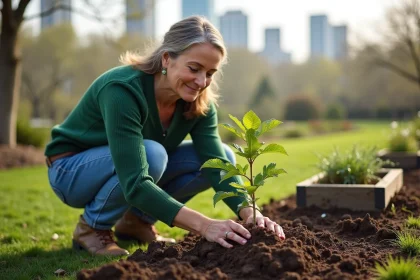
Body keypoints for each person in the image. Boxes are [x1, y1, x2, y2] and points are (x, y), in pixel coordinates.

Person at [44, 16, 285, 257]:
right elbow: (136, 183)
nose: (202, 82)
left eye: (210, 72)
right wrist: (205, 225)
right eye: (194, 68)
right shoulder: (122, 90)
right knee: (153, 154)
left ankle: (136, 222)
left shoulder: (199, 104)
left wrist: (250, 212)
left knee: (224, 155)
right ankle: (92, 227)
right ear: (167, 58)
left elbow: (217, 164)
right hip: (70, 171)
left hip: (131, 166)